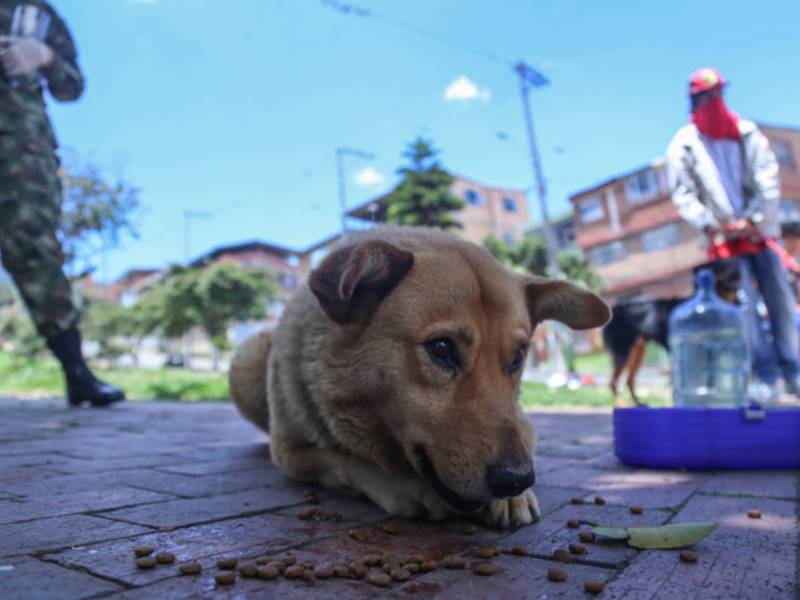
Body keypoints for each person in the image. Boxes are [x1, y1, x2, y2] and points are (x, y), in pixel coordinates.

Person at [0, 1, 124, 407]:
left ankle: (76, 372)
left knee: (34, 248)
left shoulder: (39, 14)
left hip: (20, 147)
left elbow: (71, 87)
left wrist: (44, 56)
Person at [666, 67, 800, 396]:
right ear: (695, 100)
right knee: (743, 309)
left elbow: (767, 177)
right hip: (723, 242)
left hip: (759, 234)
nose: (714, 101)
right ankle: (764, 376)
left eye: (718, 94)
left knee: (781, 302)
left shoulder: (746, 132)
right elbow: (684, 195)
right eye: (707, 96)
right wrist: (714, 224)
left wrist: (754, 218)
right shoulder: (684, 144)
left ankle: (793, 370)